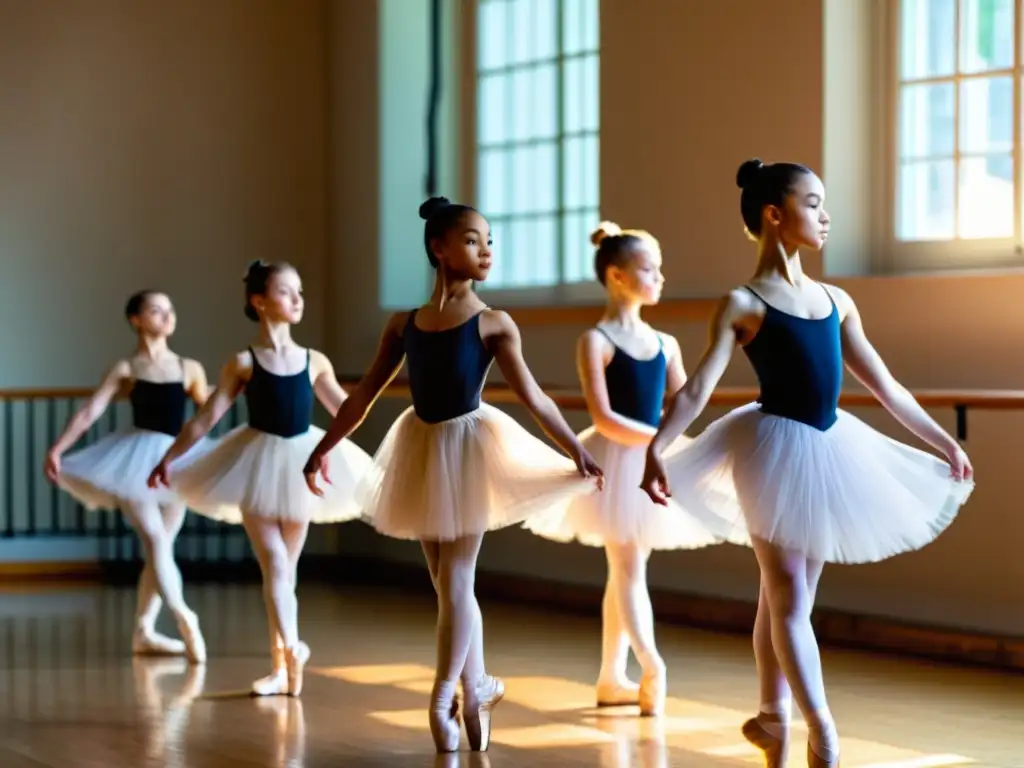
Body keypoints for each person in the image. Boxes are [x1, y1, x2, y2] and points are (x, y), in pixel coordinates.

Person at [640, 159, 974, 767]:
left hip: (829, 448)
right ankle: (821, 729)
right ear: (775, 214)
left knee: (784, 598)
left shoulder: (836, 300)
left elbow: (885, 385)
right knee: (788, 592)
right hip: (769, 448)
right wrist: (657, 448)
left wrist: (941, 441)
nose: (826, 216)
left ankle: (771, 716)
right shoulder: (742, 304)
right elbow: (695, 390)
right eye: (814, 203)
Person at [302, 196, 603, 753]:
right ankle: (479, 685)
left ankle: (442, 699)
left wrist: (574, 450)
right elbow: (362, 396)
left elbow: (534, 397)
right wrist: (324, 446)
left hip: (469, 447)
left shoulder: (494, 323)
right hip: (419, 445)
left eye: (490, 240)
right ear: (438, 247)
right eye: (472, 239)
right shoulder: (404, 324)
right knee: (447, 586)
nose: (486, 249)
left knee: (457, 581)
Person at [148, 261, 373, 697]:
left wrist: (326, 449)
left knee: (283, 572)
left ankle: (280, 667)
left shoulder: (314, 361)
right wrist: (169, 459)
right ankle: (291, 650)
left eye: (300, 291)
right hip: (255, 463)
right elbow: (206, 417)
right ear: (259, 301)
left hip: (302, 466)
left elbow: (348, 412)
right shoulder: (243, 363)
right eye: (287, 292)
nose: (297, 299)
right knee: (274, 562)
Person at [524, 221, 719, 716]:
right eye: (649, 270)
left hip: (653, 455)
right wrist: (656, 441)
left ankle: (613, 676)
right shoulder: (596, 340)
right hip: (616, 460)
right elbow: (603, 417)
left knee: (627, 568)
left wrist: (671, 443)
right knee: (629, 567)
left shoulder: (665, 342)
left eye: (659, 269)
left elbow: (681, 400)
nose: (660, 278)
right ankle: (652, 664)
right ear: (616, 276)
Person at [44, 290, 208, 663]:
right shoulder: (126, 368)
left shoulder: (189, 368)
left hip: (176, 459)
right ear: (136, 319)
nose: (166, 316)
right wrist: (58, 448)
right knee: (154, 538)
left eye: (170, 309)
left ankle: (143, 631)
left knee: (160, 547)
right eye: (156, 310)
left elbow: (209, 408)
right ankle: (184, 616)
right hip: (134, 460)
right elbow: (91, 411)